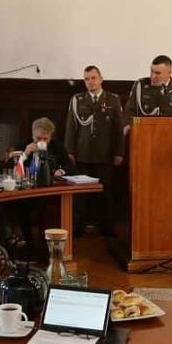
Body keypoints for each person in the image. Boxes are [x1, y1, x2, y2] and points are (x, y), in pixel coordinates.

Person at [64, 65, 124, 237]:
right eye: (87, 79)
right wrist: (69, 151)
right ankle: (78, 227)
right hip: (82, 154)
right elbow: (71, 127)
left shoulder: (113, 99)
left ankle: (107, 227)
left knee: (106, 194)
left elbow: (118, 129)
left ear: (101, 79)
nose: (90, 82)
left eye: (93, 78)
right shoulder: (78, 99)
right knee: (80, 195)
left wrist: (119, 152)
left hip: (105, 155)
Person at [13, 118, 75, 254]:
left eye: (45, 139)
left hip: (50, 190)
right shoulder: (24, 145)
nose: (41, 141)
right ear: (32, 135)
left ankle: (49, 246)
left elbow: (70, 166)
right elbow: (13, 169)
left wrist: (61, 171)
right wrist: (25, 154)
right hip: (28, 190)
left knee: (52, 207)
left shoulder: (57, 146)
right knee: (22, 207)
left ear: (51, 137)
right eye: (37, 138)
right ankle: (29, 243)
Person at [123, 55, 172, 133]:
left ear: (169, 73)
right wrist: (128, 126)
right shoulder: (141, 85)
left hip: (171, 133)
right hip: (145, 133)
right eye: (152, 71)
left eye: (157, 73)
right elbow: (129, 111)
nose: (153, 76)